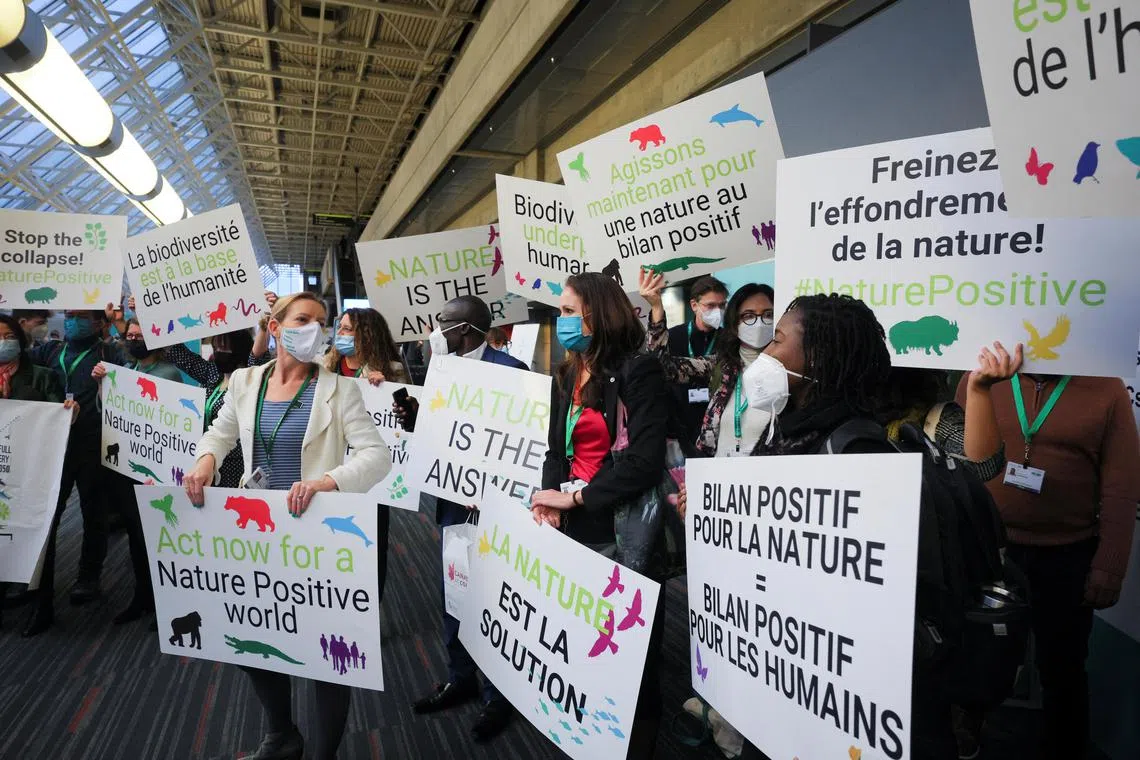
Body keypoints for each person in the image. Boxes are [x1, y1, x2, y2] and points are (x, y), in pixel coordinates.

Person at [184, 291, 389, 760]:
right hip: (259, 535)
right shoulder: (245, 381)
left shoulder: (340, 389)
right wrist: (206, 462)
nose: (314, 328)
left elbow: (378, 456)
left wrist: (329, 481)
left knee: (327, 654)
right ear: (274, 327)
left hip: (316, 535)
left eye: (322, 321)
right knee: (254, 638)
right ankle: (281, 735)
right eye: (302, 319)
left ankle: (322, 754)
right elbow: (221, 431)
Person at [953, 369, 1140, 760]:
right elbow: (957, 468)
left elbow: (1122, 486)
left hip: (1067, 554)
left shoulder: (1107, 387)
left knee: (1064, 669)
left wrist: (1110, 565)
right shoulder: (982, 378)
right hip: (991, 552)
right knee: (977, 662)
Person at [529, 271, 668, 760]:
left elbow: (645, 459)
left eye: (568, 312)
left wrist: (580, 499)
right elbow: (555, 448)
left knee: (631, 651)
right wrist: (550, 498)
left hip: (622, 526)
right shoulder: (567, 373)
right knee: (585, 639)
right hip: (575, 525)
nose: (560, 321)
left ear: (598, 313)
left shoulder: (638, 370)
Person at [396, 295, 527, 742]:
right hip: (454, 505)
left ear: (466, 329)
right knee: (455, 592)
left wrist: (488, 488)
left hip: (493, 511)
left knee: (491, 598)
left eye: (443, 322)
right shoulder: (441, 371)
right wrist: (416, 419)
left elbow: (523, 445)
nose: (436, 329)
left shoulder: (512, 372)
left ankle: (496, 695)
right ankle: (460, 675)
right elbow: (442, 434)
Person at [24, 309, 119, 635]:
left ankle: (88, 576)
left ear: (97, 323)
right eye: (69, 316)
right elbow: (23, 362)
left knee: (94, 511)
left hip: (93, 442)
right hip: (51, 445)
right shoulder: (51, 351)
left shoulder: (108, 352)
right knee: (46, 513)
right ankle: (34, 579)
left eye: (81, 317)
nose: (72, 321)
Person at [640, 270, 774, 456]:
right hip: (703, 451)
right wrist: (656, 308)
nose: (759, 323)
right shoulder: (725, 363)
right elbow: (662, 366)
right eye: (749, 316)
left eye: (768, 315)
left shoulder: (787, 367)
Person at [0, 315, 79, 631]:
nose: (3, 341)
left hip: (32, 473)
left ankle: (41, 607)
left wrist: (69, 414)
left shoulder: (44, 377)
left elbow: (55, 422)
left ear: (20, 340)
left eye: (8, 335)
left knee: (37, 536)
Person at [647, 275, 728, 452]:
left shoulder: (729, 341)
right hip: (678, 426)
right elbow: (657, 364)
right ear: (694, 305)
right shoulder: (674, 336)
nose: (718, 311)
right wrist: (656, 307)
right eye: (710, 305)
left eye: (722, 305)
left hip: (717, 430)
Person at [325, 307, 409, 384]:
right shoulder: (326, 365)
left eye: (347, 329)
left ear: (367, 336)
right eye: (339, 327)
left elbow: (403, 400)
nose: (339, 333)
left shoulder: (393, 369)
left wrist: (385, 387)